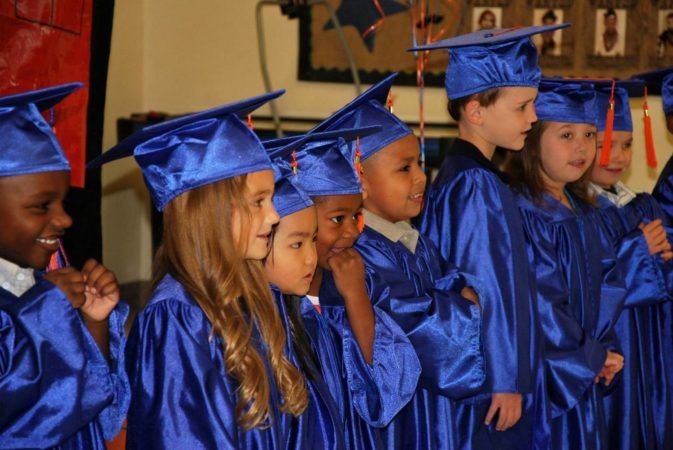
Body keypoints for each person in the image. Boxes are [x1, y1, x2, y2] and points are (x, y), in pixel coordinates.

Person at [89, 91, 311, 449]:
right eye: (258, 202)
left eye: (270, 200)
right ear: (211, 211)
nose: (274, 217)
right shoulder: (176, 316)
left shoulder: (255, 297)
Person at [410, 24, 568, 449]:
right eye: (522, 108)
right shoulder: (475, 184)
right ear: (476, 110)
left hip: (480, 372)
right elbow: (485, 284)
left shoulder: (466, 176)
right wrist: (505, 379)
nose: (533, 119)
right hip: (489, 385)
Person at [268, 124, 422, 449]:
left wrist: (355, 296)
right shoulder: (277, 303)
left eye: (357, 216)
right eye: (338, 219)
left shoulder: (355, 282)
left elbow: (385, 383)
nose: (352, 232)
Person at [0, 83, 129, 449]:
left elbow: (94, 406)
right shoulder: (43, 299)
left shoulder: (42, 287)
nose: (65, 219)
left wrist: (95, 320)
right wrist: (46, 311)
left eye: (63, 202)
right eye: (42, 206)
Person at [503, 78, 626, 450]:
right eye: (566, 135)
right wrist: (591, 355)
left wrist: (605, 349)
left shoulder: (586, 211)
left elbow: (610, 284)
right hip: (548, 377)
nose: (582, 148)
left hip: (585, 368)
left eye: (590, 135)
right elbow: (540, 302)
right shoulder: (521, 211)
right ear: (533, 139)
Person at [588, 79, 673, 450]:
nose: (617, 156)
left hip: (651, 345)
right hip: (612, 350)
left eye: (626, 144)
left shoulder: (643, 205)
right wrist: (638, 251)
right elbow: (585, 287)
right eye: (605, 144)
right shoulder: (572, 216)